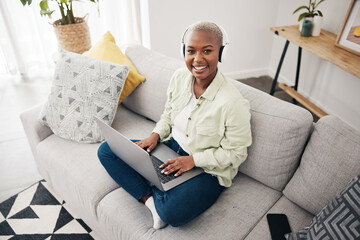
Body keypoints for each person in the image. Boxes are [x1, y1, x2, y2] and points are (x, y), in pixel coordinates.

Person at [97, 21, 252, 229]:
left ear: (220, 53)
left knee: (172, 212)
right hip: (170, 149)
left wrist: (193, 160)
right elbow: (168, 115)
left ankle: (158, 191)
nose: (198, 59)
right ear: (184, 52)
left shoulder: (233, 103)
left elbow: (236, 154)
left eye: (207, 51)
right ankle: (151, 202)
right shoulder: (180, 77)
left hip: (207, 170)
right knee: (107, 150)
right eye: (191, 51)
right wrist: (155, 135)